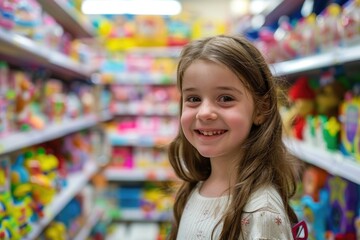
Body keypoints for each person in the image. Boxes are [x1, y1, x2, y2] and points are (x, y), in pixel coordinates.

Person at [167, 35, 301, 239]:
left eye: (225, 98)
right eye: (193, 99)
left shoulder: (261, 212)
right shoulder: (195, 188)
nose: (204, 113)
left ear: (261, 108)